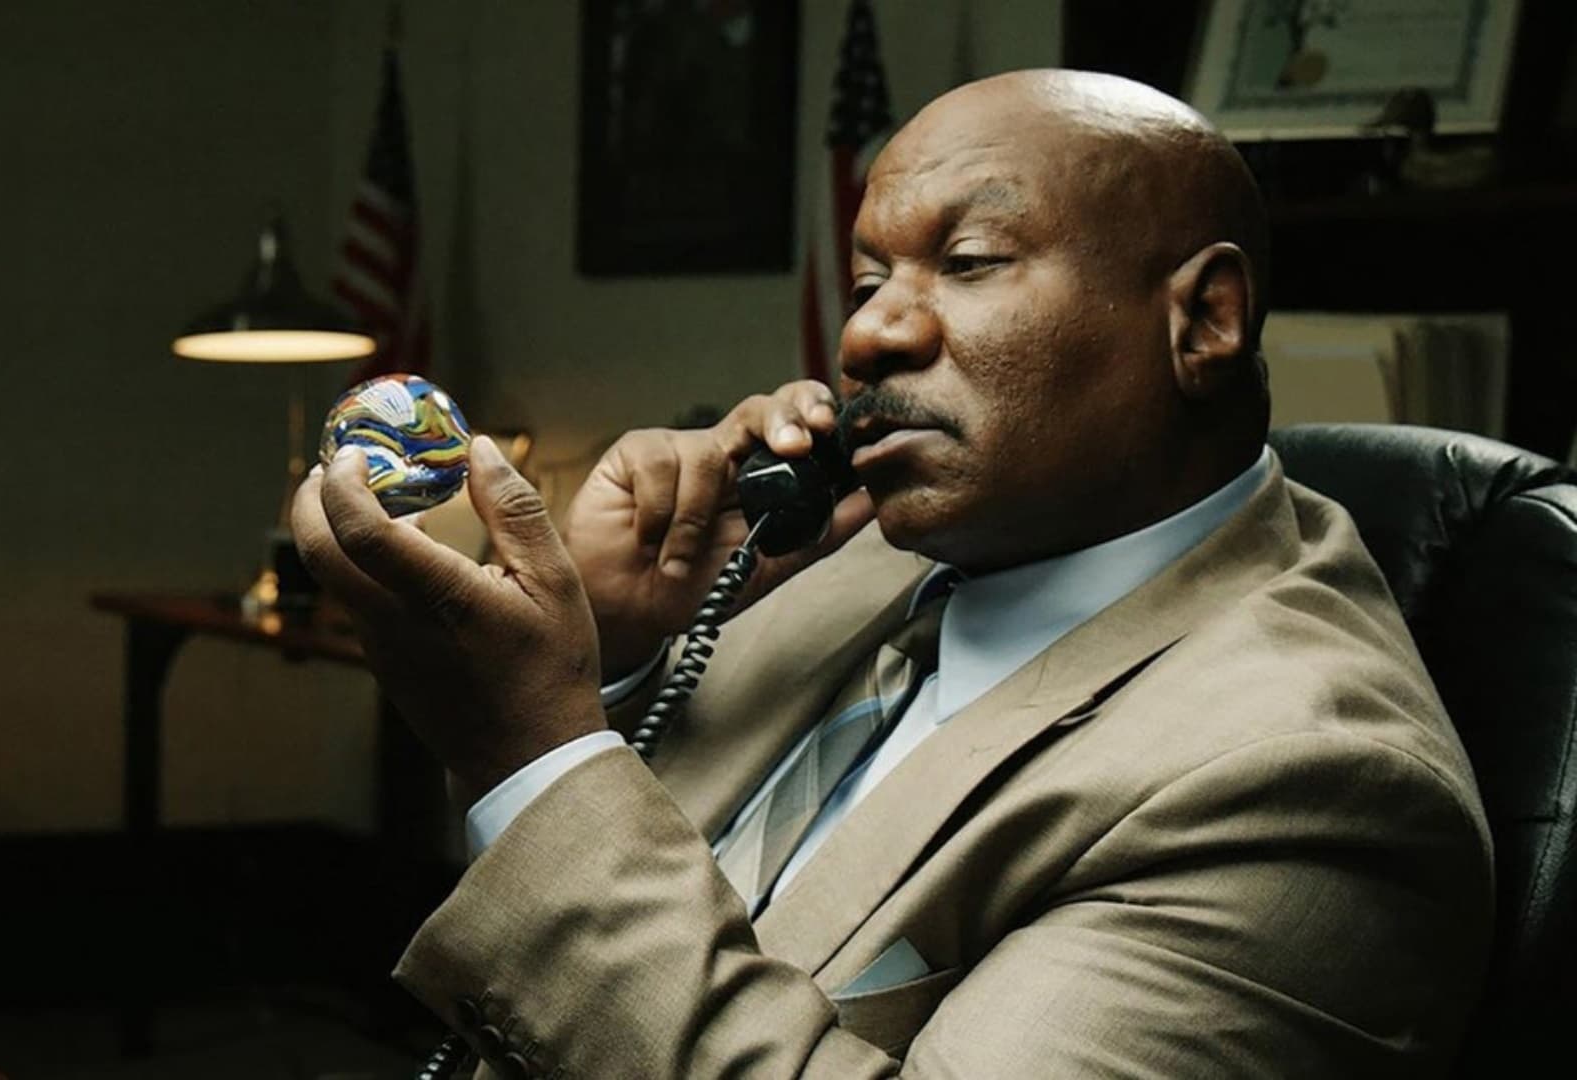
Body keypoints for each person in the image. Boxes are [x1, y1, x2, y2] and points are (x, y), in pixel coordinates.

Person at [293, 69, 1492, 1077]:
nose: (867, 336)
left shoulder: (1310, 786)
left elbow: (565, 836)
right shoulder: (855, 549)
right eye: (867, 284)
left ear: (1206, 320)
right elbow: (571, 929)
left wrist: (535, 753)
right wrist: (618, 659)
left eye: (969, 260)